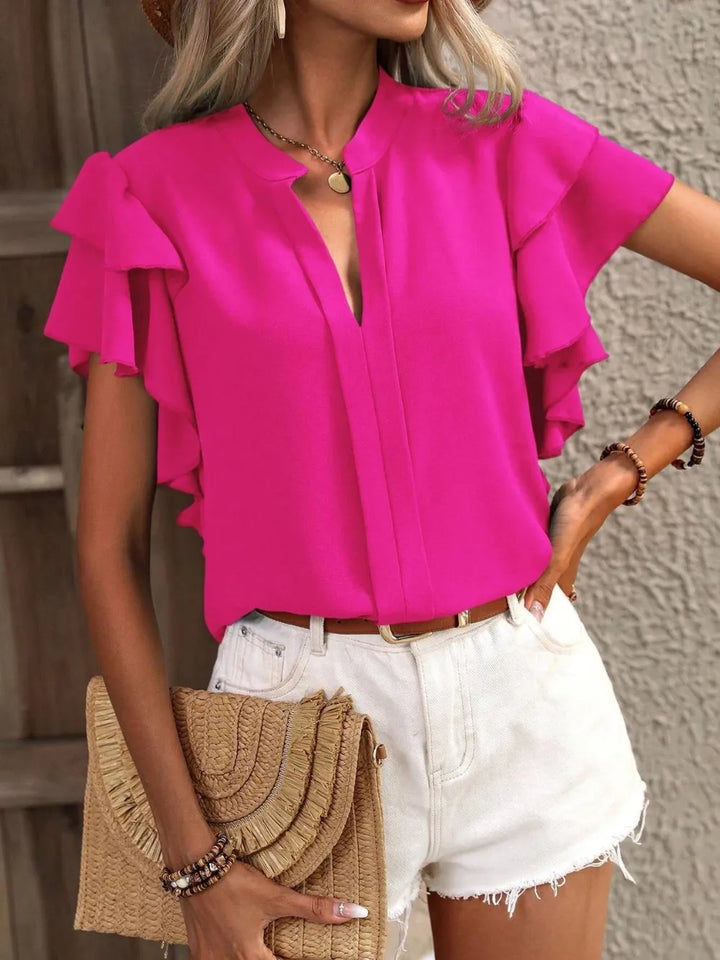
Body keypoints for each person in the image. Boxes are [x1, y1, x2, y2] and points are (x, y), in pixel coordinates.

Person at [42, 1, 720, 959]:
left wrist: (617, 475)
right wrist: (192, 862)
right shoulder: (150, 194)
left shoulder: (497, 140)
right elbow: (106, 549)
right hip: (297, 715)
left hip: (519, 689)